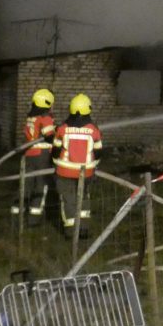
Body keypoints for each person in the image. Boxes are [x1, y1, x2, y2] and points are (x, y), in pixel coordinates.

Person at [51, 93, 103, 239]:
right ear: (88, 109)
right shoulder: (94, 129)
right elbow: (99, 152)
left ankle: (70, 232)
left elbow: (55, 150)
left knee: (68, 199)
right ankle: (84, 229)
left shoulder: (62, 128)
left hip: (64, 171)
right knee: (84, 197)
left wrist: (54, 162)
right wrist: (94, 165)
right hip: (86, 172)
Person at [13, 88, 56, 226]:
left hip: (28, 154)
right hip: (42, 156)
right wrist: (57, 132)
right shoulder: (45, 117)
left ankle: (16, 215)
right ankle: (34, 219)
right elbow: (49, 137)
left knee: (25, 185)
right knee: (40, 186)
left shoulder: (31, 117)